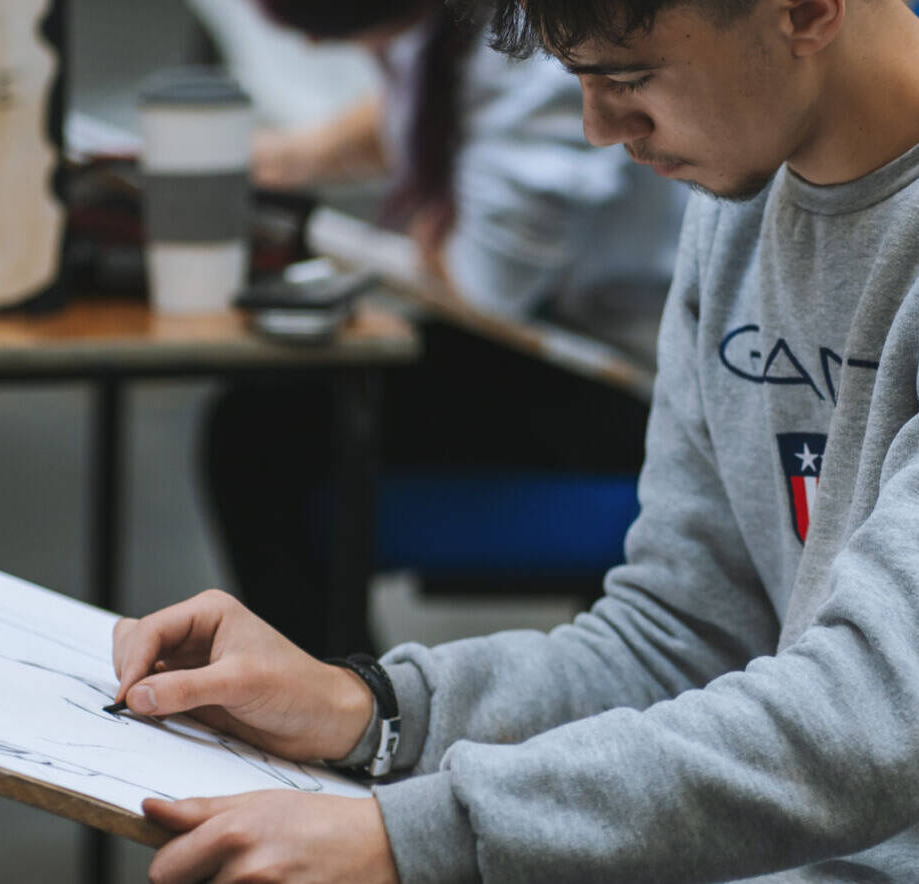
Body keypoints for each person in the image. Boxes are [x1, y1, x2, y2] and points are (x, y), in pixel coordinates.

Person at [121, 0, 919, 881]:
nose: (599, 127)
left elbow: (871, 718)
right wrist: (369, 710)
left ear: (808, 9)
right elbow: (680, 635)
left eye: (628, 78)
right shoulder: (740, 220)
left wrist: (414, 833)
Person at [203, 0, 689, 658]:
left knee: (257, 437)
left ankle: (331, 698)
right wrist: (292, 159)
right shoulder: (452, 28)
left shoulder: (544, 46)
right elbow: (417, 105)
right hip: (552, 339)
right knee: (269, 415)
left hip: (636, 383)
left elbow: (490, 284)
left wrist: (438, 234)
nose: (318, 52)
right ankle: (329, 689)